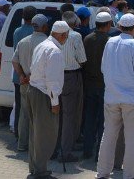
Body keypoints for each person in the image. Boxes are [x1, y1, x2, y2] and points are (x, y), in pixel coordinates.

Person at [97, 13, 134, 179]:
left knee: (109, 136)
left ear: (119, 26)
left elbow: (103, 68)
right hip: (133, 99)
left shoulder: (110, 42)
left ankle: (102, 173)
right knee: (132, 141)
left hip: (112, 97)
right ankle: (129, 175)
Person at [27, 20, 69, 178]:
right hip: (44, 95)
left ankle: (36, 168)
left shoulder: (42, 44)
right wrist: (55, 103)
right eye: (66, 36)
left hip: (34, 91)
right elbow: (52, 80)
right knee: (46, 135)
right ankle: (40, 172)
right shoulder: (54, 51)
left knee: (36, 133)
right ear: (62, 35)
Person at [13, 14, 49, 153]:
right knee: (40, 116)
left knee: (24, 114)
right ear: (44, 27)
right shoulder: (47, 42)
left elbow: (15, 61)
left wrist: (22, 75)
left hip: (25, 84)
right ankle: (37, 146)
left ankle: (22, 145)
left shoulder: (23, 41)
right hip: (40, 85)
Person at [82, 10, 113, 160]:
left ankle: (87, 151)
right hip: (104, 86)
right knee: (102, 121)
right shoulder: (110, 41)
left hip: (89, 85)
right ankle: (99, 154)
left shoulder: (87, 39)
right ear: (107, 25)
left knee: (89, 119)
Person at [58, 10, 87, 161]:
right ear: (74, 22)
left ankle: (58, 147)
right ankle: (65, 151)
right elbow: (82, 59)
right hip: (71, 77)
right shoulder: (76, 36)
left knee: (58, 115)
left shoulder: (53, 33)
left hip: (55, 77)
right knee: (70, 116)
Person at [12, 6, 37, 144]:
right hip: (33, 76)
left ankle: (18, 135)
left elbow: (16, 55)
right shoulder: (37, 32)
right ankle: (29, 138)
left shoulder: (17, 31)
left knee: (20, 108)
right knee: (32, 109)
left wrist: (21, 74)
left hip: (19, 76)